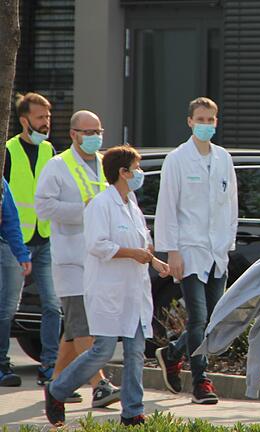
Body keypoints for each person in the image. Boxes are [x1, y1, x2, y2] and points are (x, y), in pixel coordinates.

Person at [44, 145, 170, 427]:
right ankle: (58, 390)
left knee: (136, 350)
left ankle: (132, 411)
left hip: (134, 290)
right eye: (136, 168)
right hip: (108, 289)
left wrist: (153, 259)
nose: (139, 173)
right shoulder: (100, 204)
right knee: (102, 349)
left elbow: (141, 243)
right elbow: (98, 245)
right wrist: (132, 253)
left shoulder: (132, 204)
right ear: (123, 173)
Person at [154, 97, 238, 405]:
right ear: (189, 121)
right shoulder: (177, 159)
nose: (206, 125)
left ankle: (173, 352)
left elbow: (231, 206)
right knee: (198, 319)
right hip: (188, 251)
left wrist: (228, 246)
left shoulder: (224, 158)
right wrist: (172, 251)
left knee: (215, 321)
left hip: (217, 253)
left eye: (210, 120)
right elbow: (167, 208)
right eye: (200, 120)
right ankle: (201, 382)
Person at [34, 110, 121, 407]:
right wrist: (82, 209)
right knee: (83, 323)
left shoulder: (103, 163)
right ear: (73, 134)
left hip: (97, 259)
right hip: (70, 258)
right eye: (87, 131)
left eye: (98, 131)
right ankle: (99, 384)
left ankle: (57, 382)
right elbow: (43, 207)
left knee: (74, 328)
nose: (94, 137)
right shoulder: (57, 166)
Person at [1, 92, 61, 387]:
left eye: (48, 117)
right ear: (24, 120)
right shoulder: (8, 151)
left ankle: (49, 365)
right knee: (8, 306)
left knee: (52, 304)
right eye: (40, 117)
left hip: (45, 238)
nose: (46, 122)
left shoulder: (50, 151)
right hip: (14, 242)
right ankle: (1, 364)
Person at [0, 178, 33, 386]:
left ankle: (2, 363)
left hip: (6, 246)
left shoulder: (1, 182)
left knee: (7, 309)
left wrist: (21, 253)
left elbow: (11, 218)